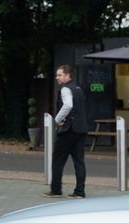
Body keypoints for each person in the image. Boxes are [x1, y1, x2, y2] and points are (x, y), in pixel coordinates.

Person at [43, 64, 88, 199]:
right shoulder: (78, 88)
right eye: (57, 75)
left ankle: (56, 190)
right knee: (79, 161)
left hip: (69, 130)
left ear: (68, 75)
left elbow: (68, 105)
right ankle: (80, 192)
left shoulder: (65, 89)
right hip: (81, 129)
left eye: (60, 75)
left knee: (57, 159)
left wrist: (57, 120)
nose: (57, 77)